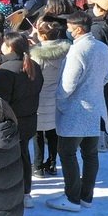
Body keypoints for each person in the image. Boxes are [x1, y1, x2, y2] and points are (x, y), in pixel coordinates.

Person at [48, 11, 108, 212]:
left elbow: (67, 85)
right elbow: (107, 76)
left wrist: (57, 98)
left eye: (69, 26)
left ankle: (72, 197)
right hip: (96, 109)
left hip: (76, 111)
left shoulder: (77, 51)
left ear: (77, 29)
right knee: (90, 154)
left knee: (67, 153)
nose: (67, 30)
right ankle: (86, 196)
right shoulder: (102, 47)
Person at [0, 34, 43, 199]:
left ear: (10, 47)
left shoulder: (5, 70)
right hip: (30, 119)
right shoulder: (33, 65)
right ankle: (26, 191)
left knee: (10, 159)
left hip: (10, 122)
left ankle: (12, 192)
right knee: (24, 155)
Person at [30, 19, 70, 176]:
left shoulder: (36, 55)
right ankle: (53, 163)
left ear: (43, 36)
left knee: (37, 134)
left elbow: (32, 77)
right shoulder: (65, 51)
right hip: (56, 96)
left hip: (39, 97)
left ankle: (38, 166)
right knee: (53, 133)